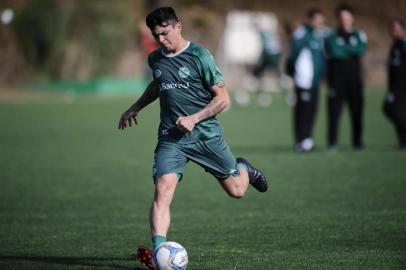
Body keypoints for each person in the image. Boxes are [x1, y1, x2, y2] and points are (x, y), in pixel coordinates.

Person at [118, 7, 268, 269]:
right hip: (171, 138)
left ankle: (243, 168)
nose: (161, 40)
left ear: (178, 26)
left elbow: (223, 99)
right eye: (156, 36)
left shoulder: (201, 56)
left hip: (206, 136)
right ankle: (158, 252)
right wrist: (135, 107)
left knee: (237, 191)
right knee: (163, 189)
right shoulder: (156, 60)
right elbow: (157, 84)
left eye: (165, 33)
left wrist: (194, 118)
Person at [325, 4, 367, 151]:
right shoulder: (331, 36)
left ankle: (357, 141)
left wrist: (344, 50)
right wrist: (350, 51)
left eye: (347, 18)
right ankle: (332, 143)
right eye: (342, 18)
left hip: (355, 81)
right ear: (338, 19)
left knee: (357, 112)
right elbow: (335, 52)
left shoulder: (359, 34)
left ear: (352, 18)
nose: (344, 21)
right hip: (336, 81)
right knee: (334, 114)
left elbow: (361, 49)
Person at [287, 8, 327, 152]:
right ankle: (301, 141)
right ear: (310, 20)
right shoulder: (302, 34)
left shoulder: (320, 34)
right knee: (302, 111)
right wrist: (293, 72)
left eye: (321, 20)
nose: (320, 23)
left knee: (312, 110)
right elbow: (293, 56)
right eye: (317, 20)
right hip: (303, 81)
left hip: (314, 81)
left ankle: (307, 139)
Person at [383, 19, 406, 149]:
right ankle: (402, 141)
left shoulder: (403, 44)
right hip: (395, 86)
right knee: (394, 111)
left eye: (397, 29)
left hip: (402, 87)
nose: (395, 32)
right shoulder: (395, 45)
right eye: (392, 29)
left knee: (391, 109)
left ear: (403, 30)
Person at [252, 21, 282, 106]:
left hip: (268, 56)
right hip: (276, 55)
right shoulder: (270, 33)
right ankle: (288, 95)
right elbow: (278, 45)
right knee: (277, 75)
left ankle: (262, 96)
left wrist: (260, 59)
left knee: (257, 74)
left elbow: (265, 47)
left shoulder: (262, 34)